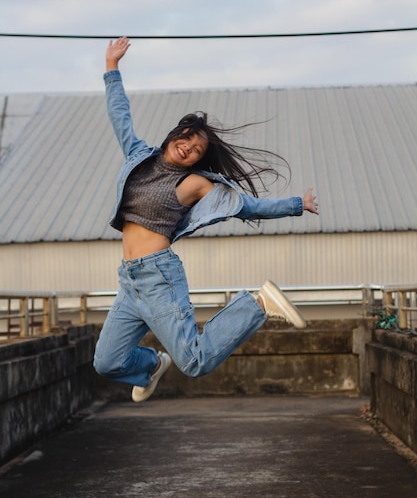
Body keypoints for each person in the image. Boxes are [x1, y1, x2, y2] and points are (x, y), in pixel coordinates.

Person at [93, 36, 319, 403]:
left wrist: (296, 204)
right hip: (129, 281)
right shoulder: (138, 156)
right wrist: (111, 67)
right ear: (173, 136)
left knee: (195, 361)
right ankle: (151, 365)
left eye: (196, 150)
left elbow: (243, 206)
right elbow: (120, 114)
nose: (188, 147)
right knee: (106, 362)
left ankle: (259, 303)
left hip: (158, 277)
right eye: (186, 139)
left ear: (197, 161)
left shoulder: (191, 183)